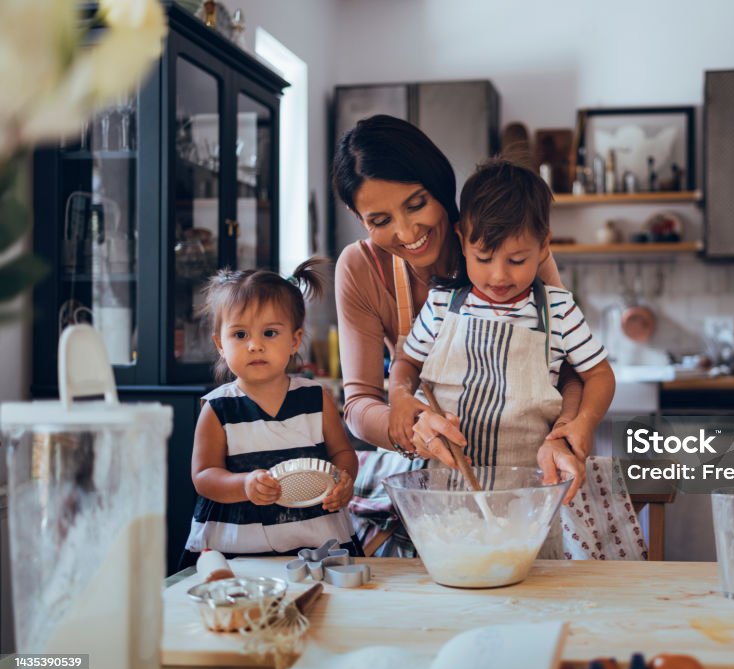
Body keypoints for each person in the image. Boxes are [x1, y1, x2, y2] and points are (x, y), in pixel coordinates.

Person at [332, 115, 584, 557]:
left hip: (525, 476)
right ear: (358, 218)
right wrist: (409, 426)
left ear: (438, 184)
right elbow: (358, 403)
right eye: (380, 219)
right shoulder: (359, 269)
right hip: (435, 485)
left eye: (416, 204)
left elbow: (570, 371)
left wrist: (564, 435)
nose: (407, 233)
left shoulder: (504, 241)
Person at [389, 158, 646, 560]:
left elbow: (598, 374)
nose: (498, 276)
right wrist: (399, 399)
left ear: (544, 245)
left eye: (517, 260)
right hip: (448, 494)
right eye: (484, 257)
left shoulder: (556, 309)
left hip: (531, 496)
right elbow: (406, 365)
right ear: (461, 239)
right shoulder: (443, 305)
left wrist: (582, 423)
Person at [184, 257, 361, 561]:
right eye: (240, 335)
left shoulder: (315, 398)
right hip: (238, 546)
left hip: (316, 538)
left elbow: (343, 454)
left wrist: (344, 480)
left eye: (269, 333)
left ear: (294, 340)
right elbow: (203, 475)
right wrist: (243, 485)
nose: (254, 345)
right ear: (220, 345)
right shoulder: (218, 408)